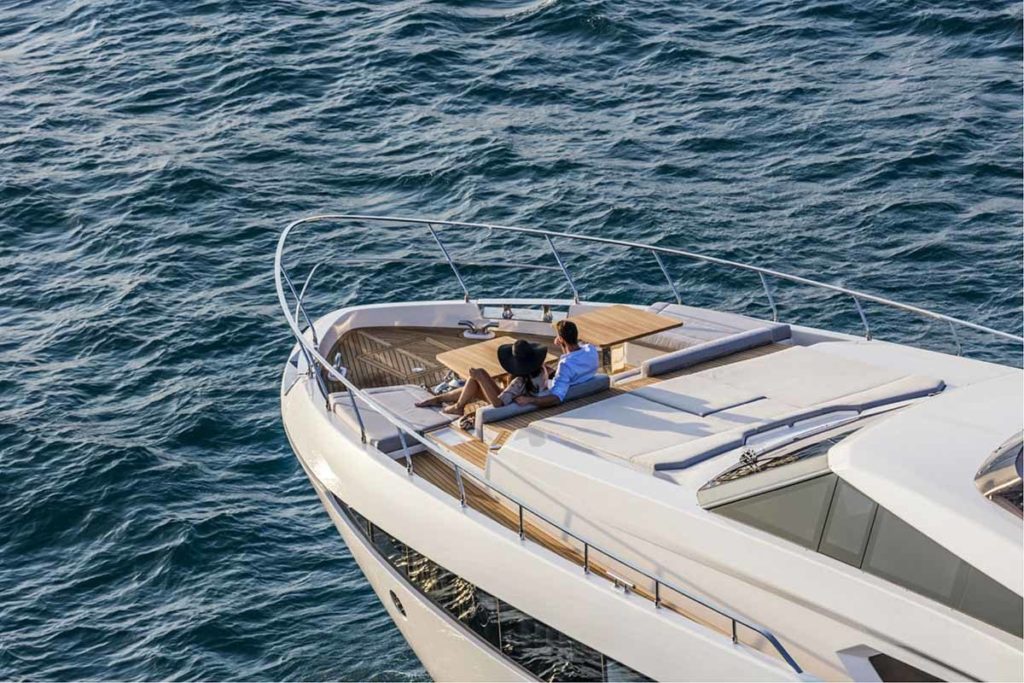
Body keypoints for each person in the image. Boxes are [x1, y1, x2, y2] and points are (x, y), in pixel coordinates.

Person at [415, 339, 550, 419]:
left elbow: (498, 403)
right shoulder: (541, 370)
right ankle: (440, 399)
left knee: (478, 375)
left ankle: (457, 406)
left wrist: (480, 378)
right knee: (476, 380)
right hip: (513, 399)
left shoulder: (519, 382)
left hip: (504, 405)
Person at [513, 319, 598, 409]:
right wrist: (562, 343)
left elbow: (556, 398)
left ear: (561, 339)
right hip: (577, 376)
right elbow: (576, 352)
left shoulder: (565, 364)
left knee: (522, 375)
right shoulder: (591, 350)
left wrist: (529, 400)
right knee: (543, 368)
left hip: (554, 387)